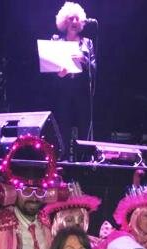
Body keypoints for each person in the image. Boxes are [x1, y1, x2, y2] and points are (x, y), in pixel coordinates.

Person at [51, 1, 96, 156]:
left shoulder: (87, 43)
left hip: (82, 92)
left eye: (77, 19)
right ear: (64, 22)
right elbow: (47, 68)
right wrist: (58, 74)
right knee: (63, 127)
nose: (75, 22)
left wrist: (84, 59)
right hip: (63, 91)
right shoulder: (56, 41)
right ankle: (62, 162)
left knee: (84, 127)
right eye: (71, 19)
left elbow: (95, 69)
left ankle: (83, 162)